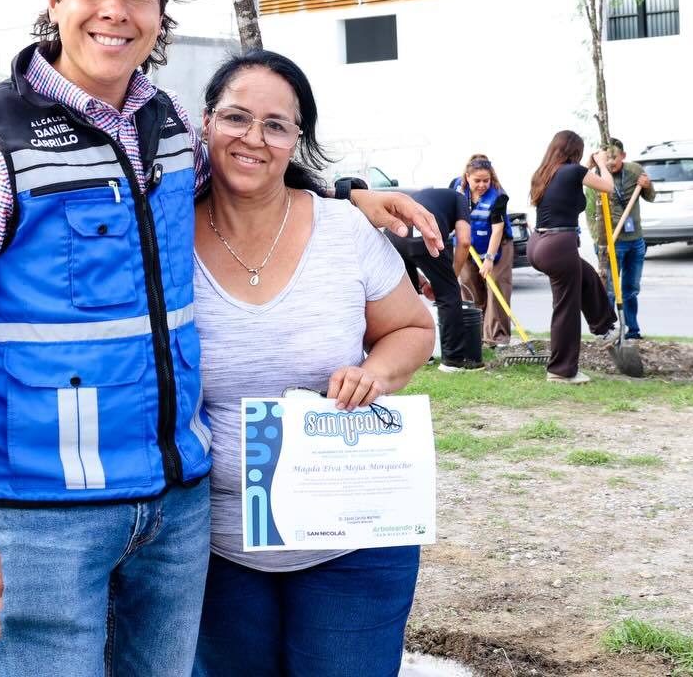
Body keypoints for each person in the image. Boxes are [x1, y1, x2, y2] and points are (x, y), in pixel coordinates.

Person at [0, 0, 441, 676]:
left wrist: (344, 197)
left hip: (176, 508)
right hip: (46, 514)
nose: (115, 10)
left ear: (160, 17)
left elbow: (250, 168)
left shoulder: (166, 126)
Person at [191, 50, 434, 677]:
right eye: (237, 117)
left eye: (277, 125)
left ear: (298, 140)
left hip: (351, 536)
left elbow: (411, 328)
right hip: (210, 549)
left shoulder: (344, 231)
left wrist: (376, 373)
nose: (254, 138)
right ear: (205, 124)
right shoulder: (166, 234)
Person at [526, 130, 617, 384]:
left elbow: (571, 182)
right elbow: (608, 187)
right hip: (559, 245)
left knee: (587, 275)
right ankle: (561, 370)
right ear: (574, 151)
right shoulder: (574, 172)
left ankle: (605, 326)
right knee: (566, 308)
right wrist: (601, 165)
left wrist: (587, 166)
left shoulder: (544, 173)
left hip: (538, 244)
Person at [379, 186, 474, 371]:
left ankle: (416, 356)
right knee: (449, 295)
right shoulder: (460, 199)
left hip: (393, 237)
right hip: (424, 235)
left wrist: (423, 283)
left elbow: (410, 250)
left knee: (407, 298)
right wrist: (452, 278)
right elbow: (464, 241)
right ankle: (453, 361)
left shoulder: (425, 195)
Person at [585, 138, 655, 340]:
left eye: (614, 158)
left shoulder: (634, 171)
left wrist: (647, 186)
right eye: (606, 158)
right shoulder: (596, 178)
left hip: (636, 241)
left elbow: (651, 196)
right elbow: (590, 214)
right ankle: (609, 332)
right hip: (611, 244)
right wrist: (601, 242)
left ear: (623, 156)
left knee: (631, 289)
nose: (610, 162)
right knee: (608, 292)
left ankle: (632, 331)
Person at [452, 155, 515, 348]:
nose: (482, 185)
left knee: (496, 287)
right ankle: (474, 336)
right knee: (469, 288)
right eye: (477, 180)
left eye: (485, 180)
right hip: (467, 245)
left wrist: (489, 258)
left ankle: (497, 338)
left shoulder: (498, 196)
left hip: (498, 246)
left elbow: (497, 229)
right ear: (467, 177)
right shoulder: (456, 188)